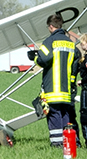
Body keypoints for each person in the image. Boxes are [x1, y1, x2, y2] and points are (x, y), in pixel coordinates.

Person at [30, 13, 79, 147]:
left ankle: (56, 144)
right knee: (65, 115)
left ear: (51, 27)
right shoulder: (70, 43)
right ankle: (67, 143)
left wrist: (34, 58)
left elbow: (42, 59)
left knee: (54, 114)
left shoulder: (49, 42)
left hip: (53, 87)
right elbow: (76, 59)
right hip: (66, 88)